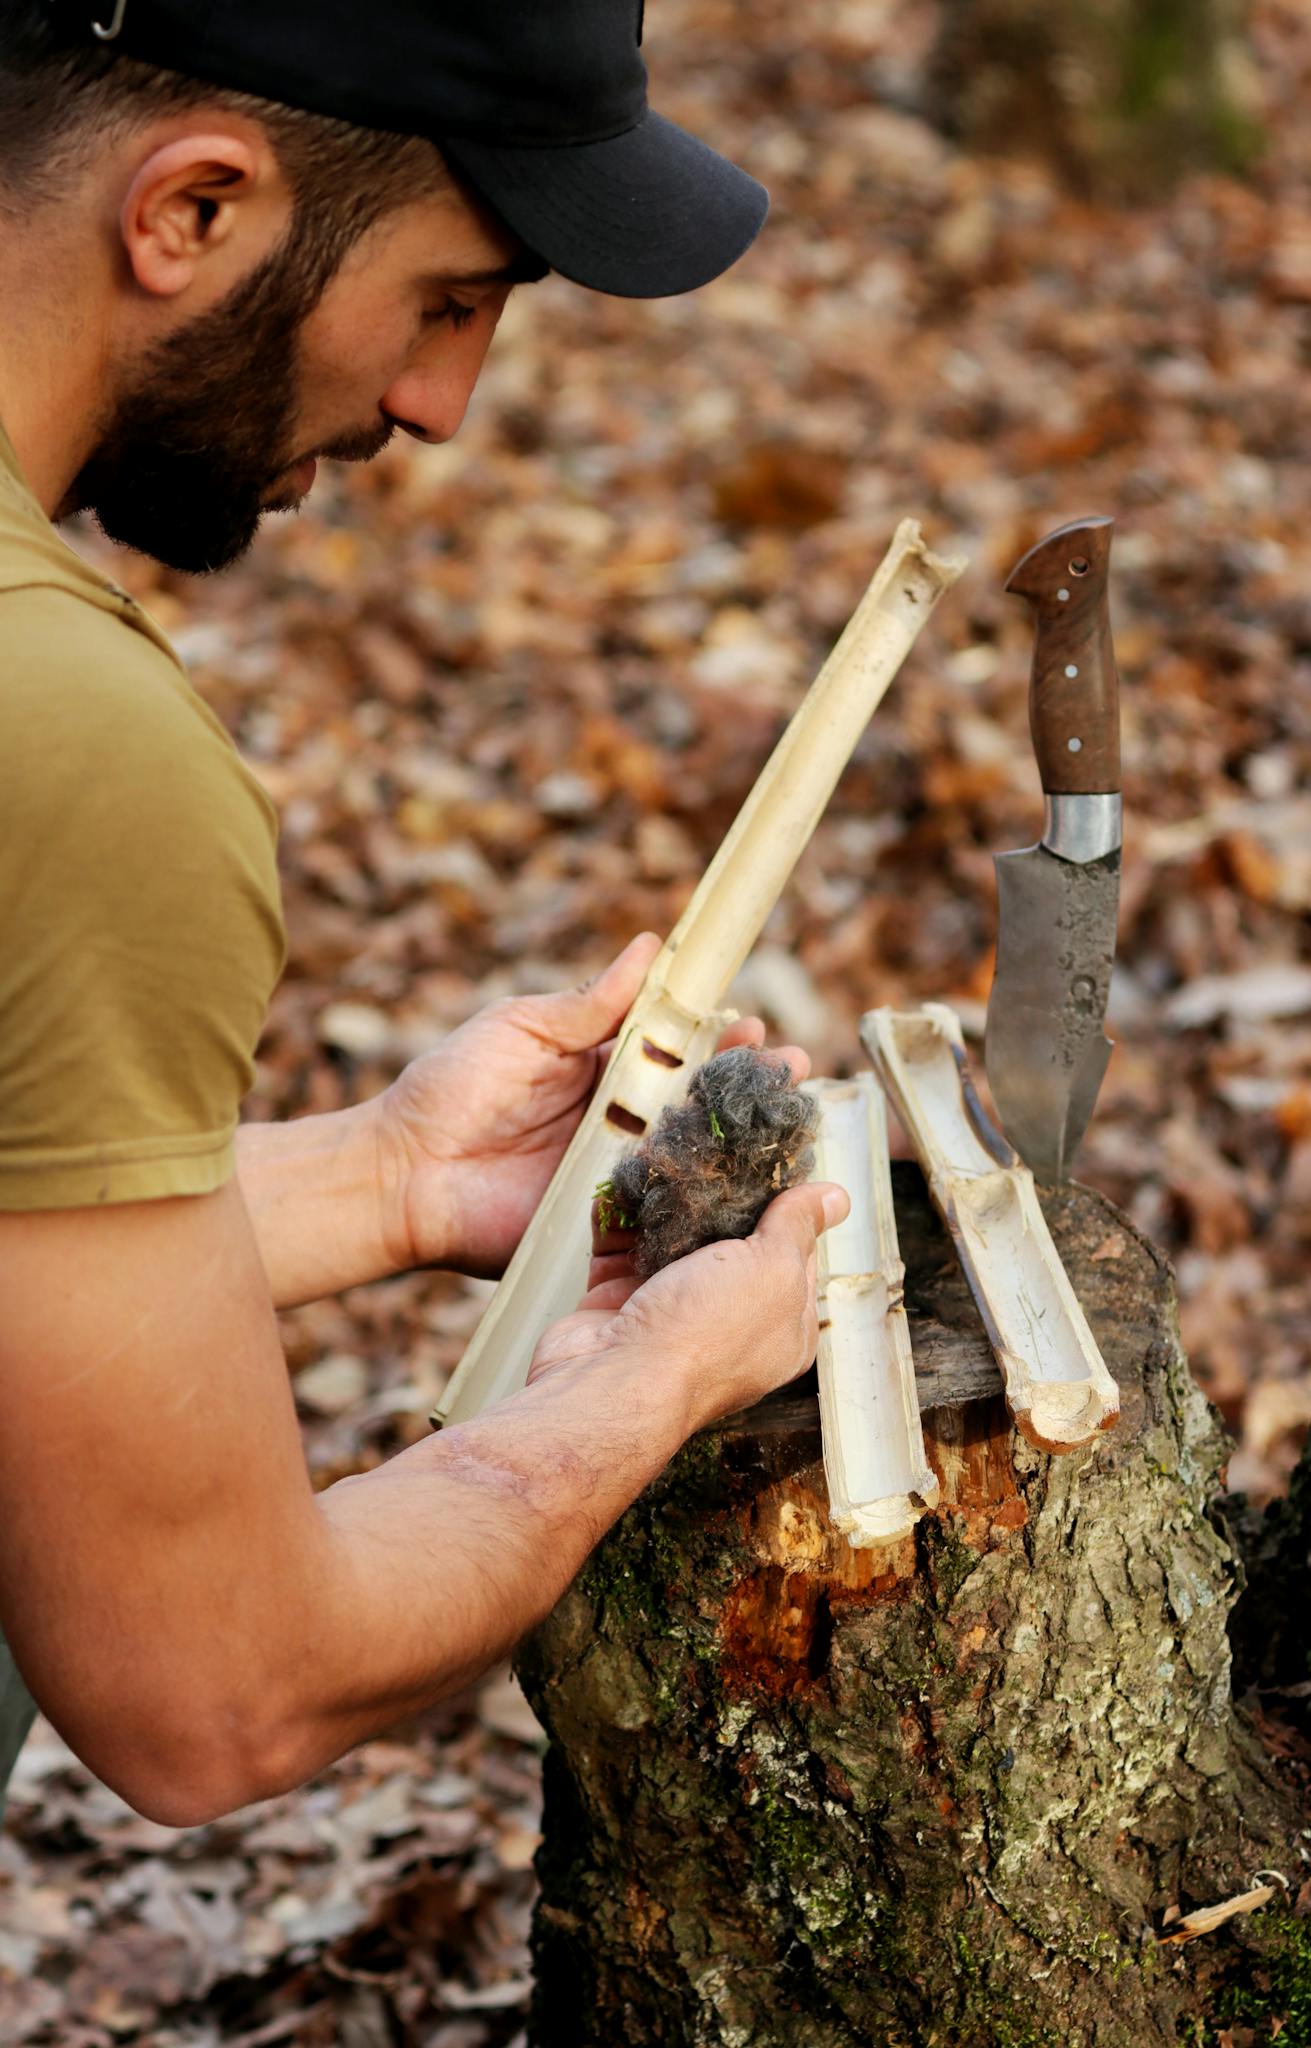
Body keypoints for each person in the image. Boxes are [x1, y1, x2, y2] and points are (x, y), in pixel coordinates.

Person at [0, 0, 848, 1827]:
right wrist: (652, 1381)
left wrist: (390, 1177)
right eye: (451, 301)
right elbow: (215, 1690)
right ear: (191, 213)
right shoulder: (63, 742)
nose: (439, 408)